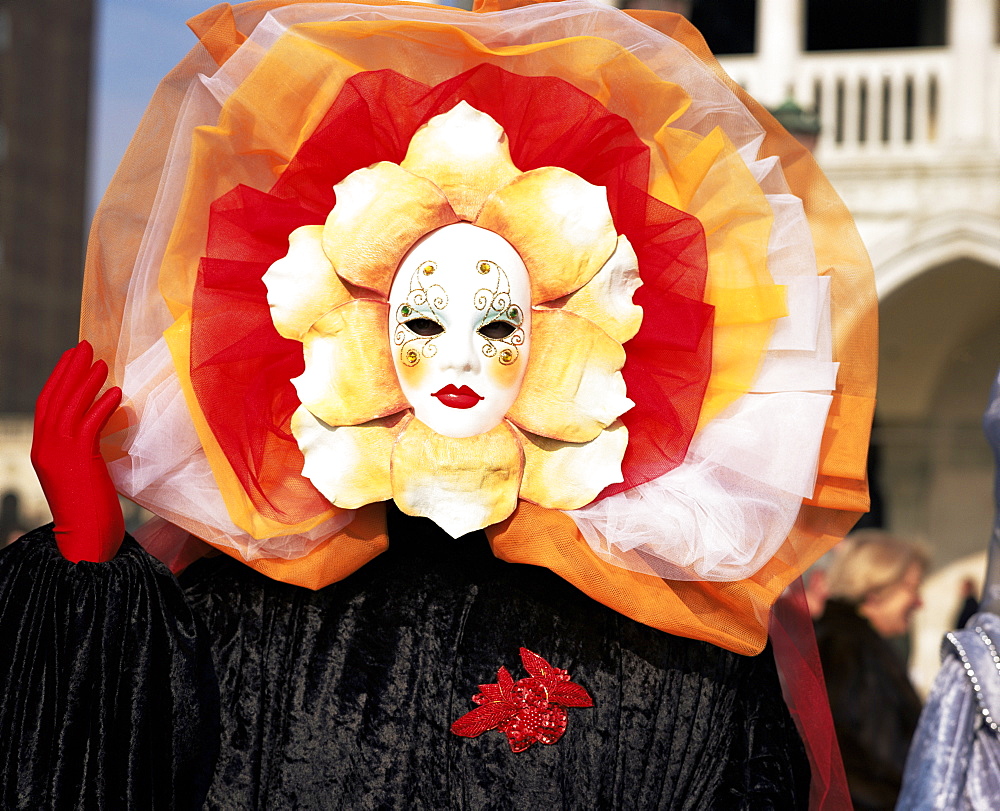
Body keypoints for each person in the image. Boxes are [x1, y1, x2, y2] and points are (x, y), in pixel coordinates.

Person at [0, 0, 878, 807]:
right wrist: (84, 578)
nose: (458, 353)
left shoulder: (658, 641)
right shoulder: (253, 604)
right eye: (422, 317)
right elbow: (111, 765)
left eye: (500, 324)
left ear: (575, 324)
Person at [814, 530, 928, 810]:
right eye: (911, 587)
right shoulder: (847, 648)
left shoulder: (853, 643)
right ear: (875, 590)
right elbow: (852, 758)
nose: (919, 602)